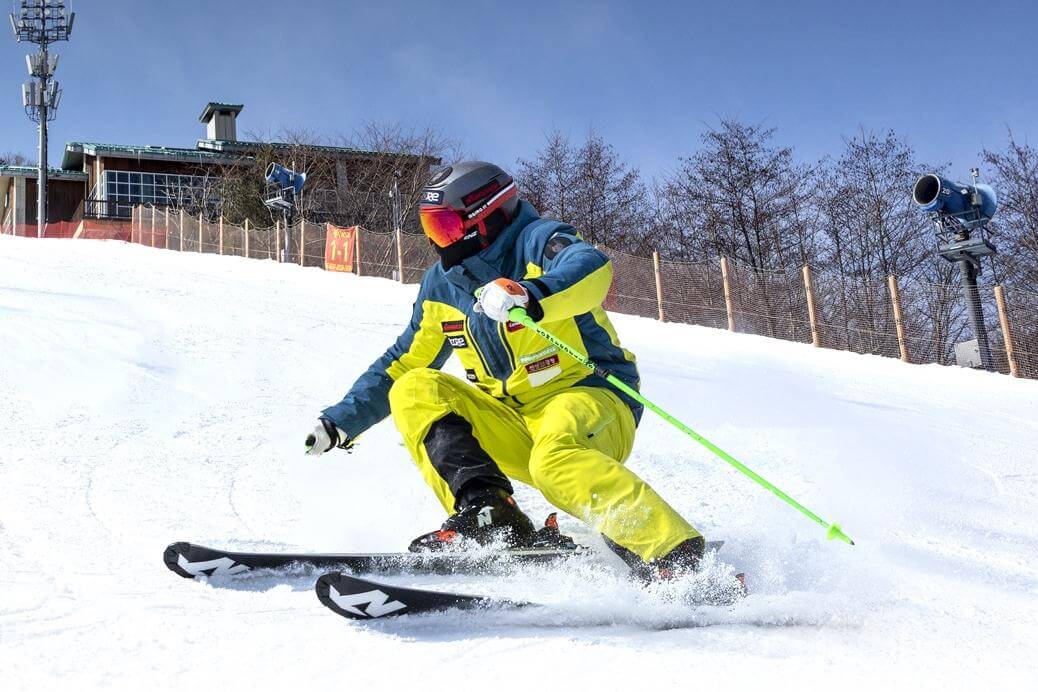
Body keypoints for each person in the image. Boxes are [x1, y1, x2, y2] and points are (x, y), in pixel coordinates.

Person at [305, 161, 704, 579]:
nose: (438, 242)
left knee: (555, 460)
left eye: (446, 227)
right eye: (431, 228)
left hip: (589, 399)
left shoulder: (537, 241)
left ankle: (680, 558)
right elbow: (402, 361)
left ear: (487, 215)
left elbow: (591, 267)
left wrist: (529, 294)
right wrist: (338, 422)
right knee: (414, 387)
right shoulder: (443, 285)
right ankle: (491, 515)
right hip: (512, 421)